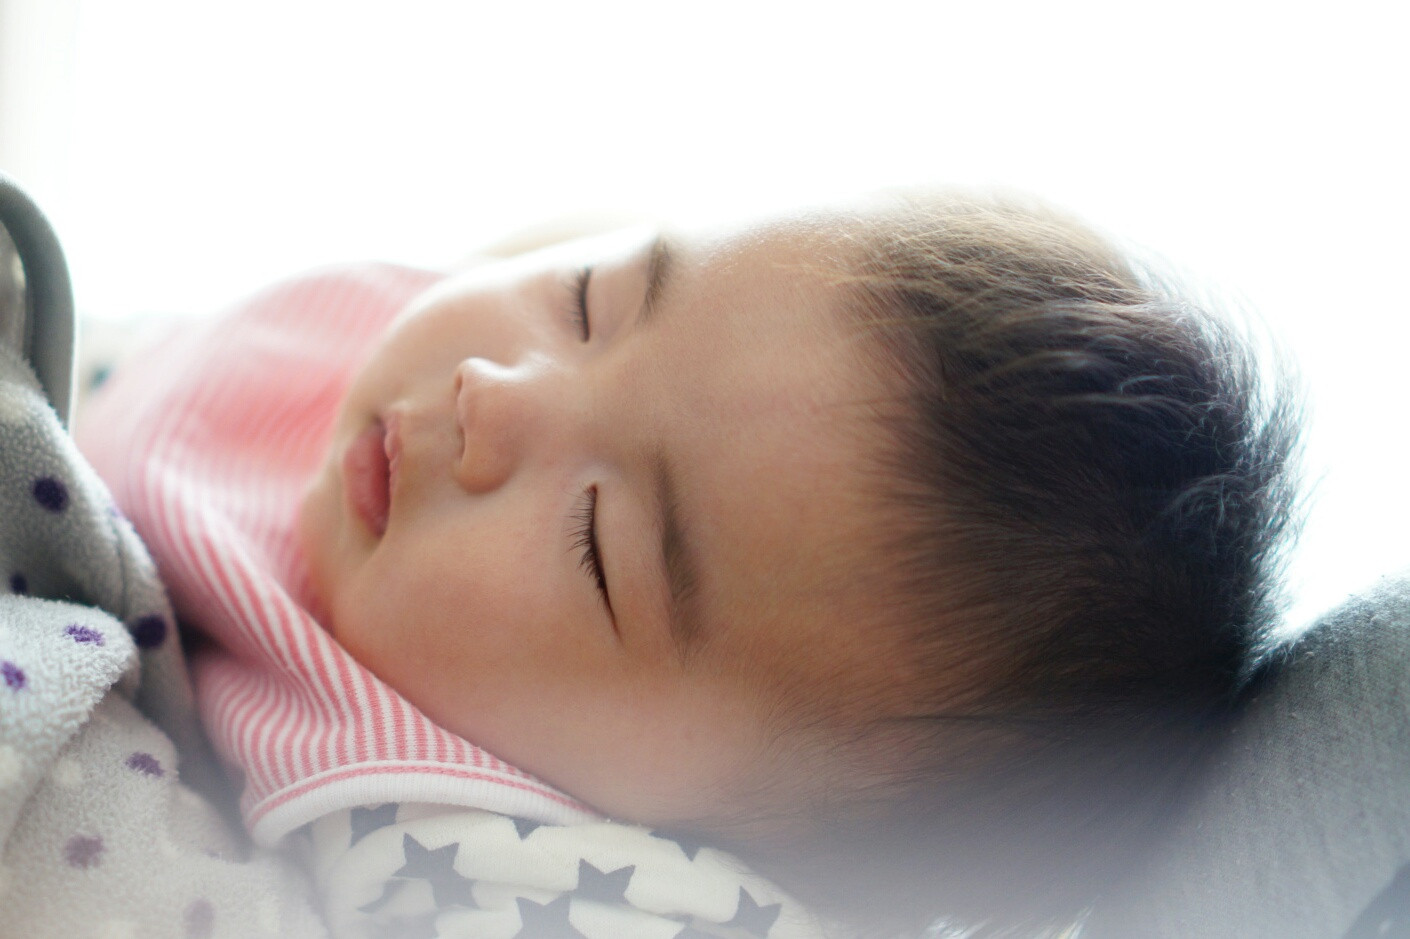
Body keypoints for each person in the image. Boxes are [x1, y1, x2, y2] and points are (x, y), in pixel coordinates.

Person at [78, 190, 1303, 937]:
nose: (494, 395)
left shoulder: (471, 857)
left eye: (596, 546)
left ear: (702, 843)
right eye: (591, 301)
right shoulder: (424, 375)